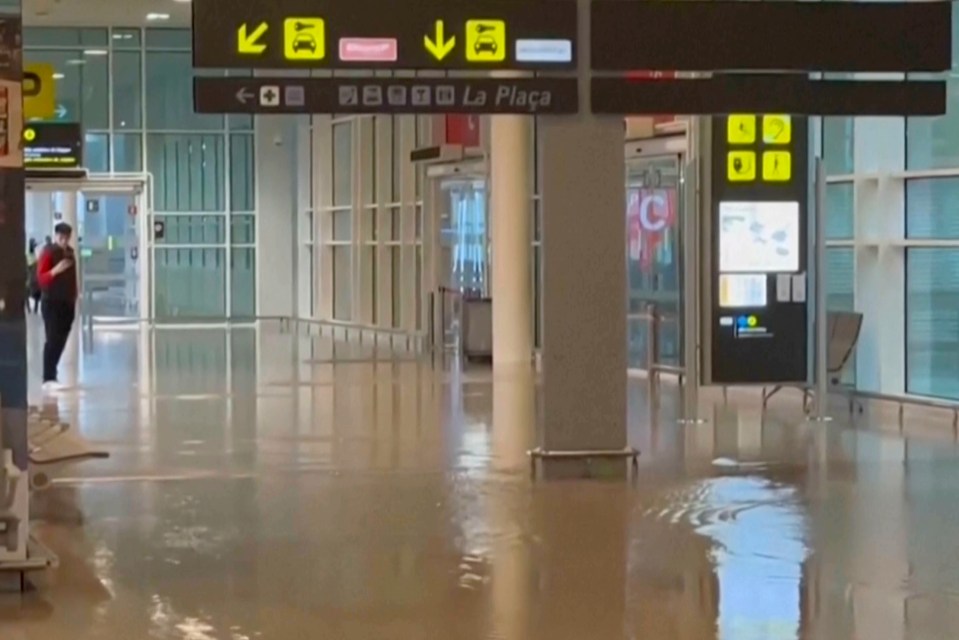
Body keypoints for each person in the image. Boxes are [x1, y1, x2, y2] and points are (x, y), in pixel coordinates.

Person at [36, 223, 78, 392]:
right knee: (52, 338)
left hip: (67, 302)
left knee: (61, 339)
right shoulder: (49, 252)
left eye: (67, 237)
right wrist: (56, 271)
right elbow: (41, 279)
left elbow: (72, 278)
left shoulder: (70, 253)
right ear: (56, 236)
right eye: (61, 237)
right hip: (51, 302)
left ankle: (52, 373)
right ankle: (48, 377)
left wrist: (75, 295)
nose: (64, 240)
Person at [25, 238, 41, 313]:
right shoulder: (30, 255)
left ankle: (32, 308)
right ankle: (31, 308)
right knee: (29, 292)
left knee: (32, 292)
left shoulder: (33, 254)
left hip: (33, 275)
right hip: (31, 275)